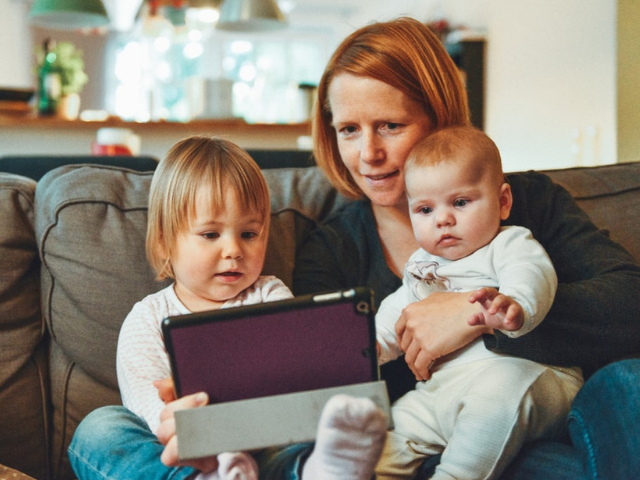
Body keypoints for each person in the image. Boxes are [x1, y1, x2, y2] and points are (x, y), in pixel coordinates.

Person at [290, 16, 640, 480]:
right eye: (349, 130)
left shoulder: (526, 203)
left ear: (439, 119)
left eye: (390, 125)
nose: (368, 154)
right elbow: (324, 387)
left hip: (553, 422)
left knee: (627, 383)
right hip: (426, 443)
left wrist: (472, 317)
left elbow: (629, 303)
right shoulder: (332, 250)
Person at [67, 136, 388, 480]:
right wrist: (203, 433)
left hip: (265, 446)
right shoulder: (146, 320)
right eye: (210, 234)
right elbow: (154, 414)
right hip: (187, 453)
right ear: (164, 241)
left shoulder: (270, 295)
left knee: (310, 434)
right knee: (100, 428)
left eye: (249, 234)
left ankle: (319, 471)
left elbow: (290, 381)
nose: (233, 250)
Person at [374, 126, 583, 479]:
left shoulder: (509, 244)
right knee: (386, 437)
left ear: (503, 202)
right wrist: (372, 346)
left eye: (460, 202)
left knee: (495, 396)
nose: (443, 219)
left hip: (526, 378)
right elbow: (401, 310)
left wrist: (515, 305)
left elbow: (531, 273)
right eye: (425, 209)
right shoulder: (421, 264)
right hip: (441, 391)